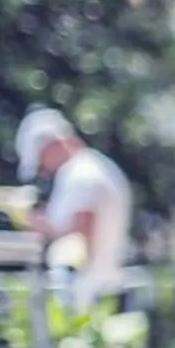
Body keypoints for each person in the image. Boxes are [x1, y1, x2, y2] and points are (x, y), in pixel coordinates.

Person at [15, 107, 132, 307]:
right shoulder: (96, 166)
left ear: (50, 146)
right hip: (103, 291)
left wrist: (41, 225)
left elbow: (79, 239)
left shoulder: (78, 176)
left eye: (41, 163)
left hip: (88, 296)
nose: (44, 173)